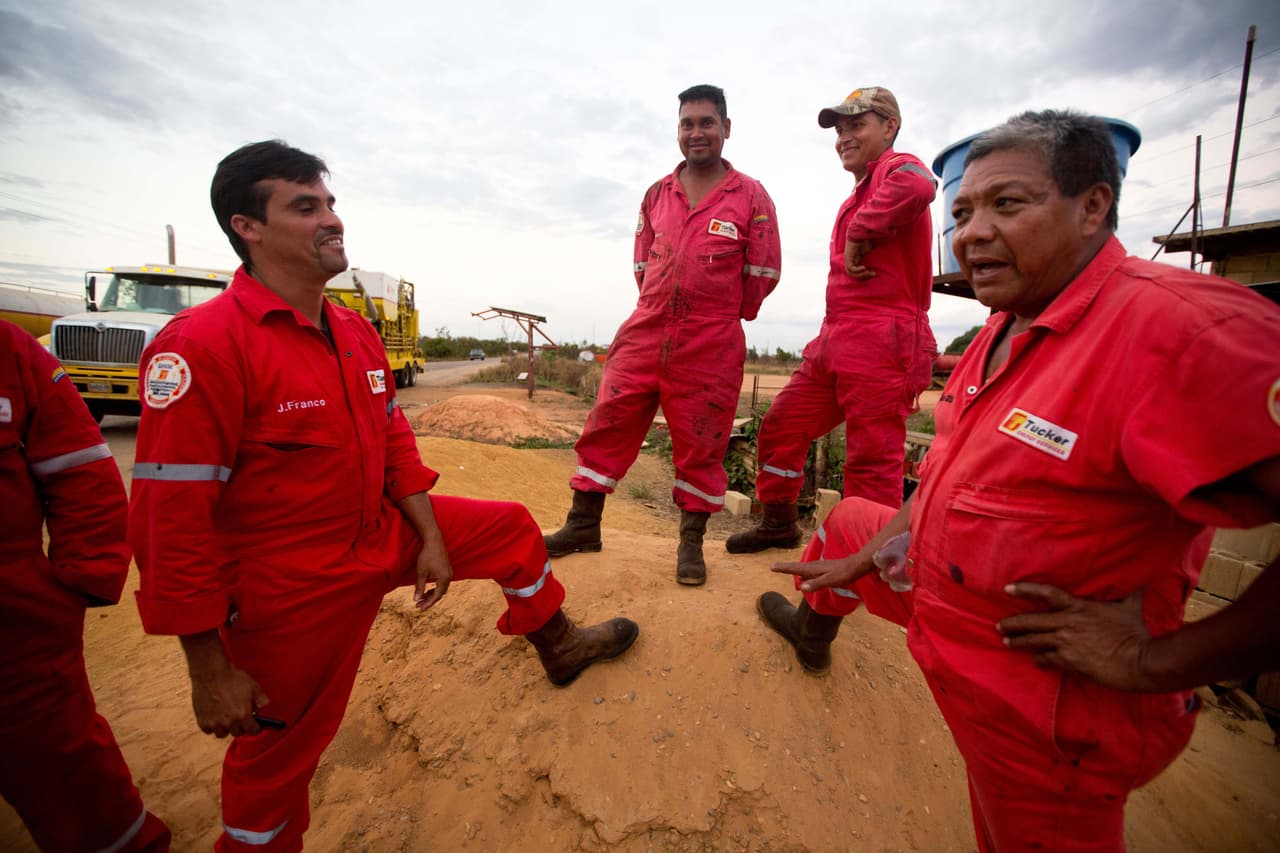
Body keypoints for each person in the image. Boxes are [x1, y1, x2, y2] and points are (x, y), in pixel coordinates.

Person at [758, 110, 1280, 850]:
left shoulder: (1182, 329)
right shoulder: (1002, 329)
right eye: (963, 211)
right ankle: (815, 632)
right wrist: (872, 552)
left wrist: (1157, 660)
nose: (971, 232)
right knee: (850, 523)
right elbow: (942, 478)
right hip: (943, 614)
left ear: (1093, 205)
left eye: (1008, 204)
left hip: (1042, 710)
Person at [129, 141, 640, 852]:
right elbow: (168, 520)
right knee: (276, 766)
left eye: (331, 203)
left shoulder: (354, 333)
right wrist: (208, 667)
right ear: (248, 227)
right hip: (288, 591)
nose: (332, 219)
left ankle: (557, 644)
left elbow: (395, 444)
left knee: (512, 529)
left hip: (377, 532)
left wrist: (429, 535)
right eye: (305, 206)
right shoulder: (205, 346)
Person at [543, 83, 782, 585]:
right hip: (647, 326)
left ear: (726, 129)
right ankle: (583, 524)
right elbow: (640, 262)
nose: (696, 132)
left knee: (702, 437)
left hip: (712, 337)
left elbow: (763, 271)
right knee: (609, 416)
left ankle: (690, 544)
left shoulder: (751, 196)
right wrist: (660, 306)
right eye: (687, 124)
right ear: (678, 131)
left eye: (706, 122)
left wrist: (718, 315)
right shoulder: (657, 193)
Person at [727, 86, 937, 555]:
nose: (843, 137)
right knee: (781, 425)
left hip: (885, 338)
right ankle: (779, 523)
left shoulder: (895, 167)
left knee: (872, 462)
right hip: (838, 336)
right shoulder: (860, 192)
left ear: (889, 127)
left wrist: (862, 231)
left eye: (856, 125)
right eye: (839, 130)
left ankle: (863, 567)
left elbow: (922, 184)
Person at [0, 319, 171, 852]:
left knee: (65, 762)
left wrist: (77, 585)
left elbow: (82, 470)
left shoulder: (10, 353)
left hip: (14, 625)